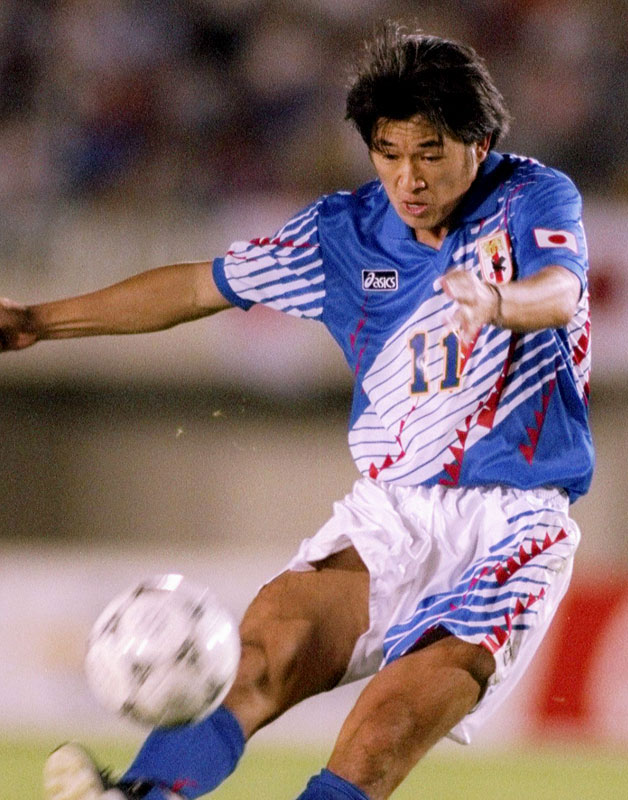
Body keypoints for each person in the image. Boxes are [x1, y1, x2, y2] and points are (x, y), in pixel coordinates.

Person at [1, 24, 593, 800]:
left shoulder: (531, 196)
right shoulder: (341, 234)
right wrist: (39, 321)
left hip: (514, 523)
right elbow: (197, 287)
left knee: (380, 730)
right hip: (389, 515)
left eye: (430, 152)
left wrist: (498, 301)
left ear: (479, 144)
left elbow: (562, 291)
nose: (408, 177)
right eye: (388, 153)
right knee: (256, 659)